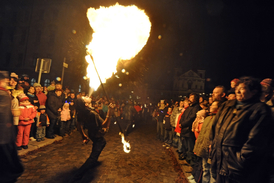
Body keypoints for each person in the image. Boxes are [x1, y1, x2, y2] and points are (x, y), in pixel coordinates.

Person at [210, 77, 273, 183]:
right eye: (237, 88)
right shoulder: (227, 105)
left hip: (238, 171)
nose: (237, 91)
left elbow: (255, 143)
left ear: (254, 91)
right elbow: (214, 129)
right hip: (219, 164)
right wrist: (213, 149)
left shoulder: (260, 110)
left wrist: (239, 163)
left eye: (242, 88)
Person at [71, 97, 113, 181]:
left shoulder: (81, 112)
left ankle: (93, 161)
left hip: (91, 133)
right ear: (86, 104)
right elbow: (104, 125)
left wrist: (83, 135)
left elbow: (78, 124)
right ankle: (78, 174)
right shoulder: (92, 114)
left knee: (102, 143)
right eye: (84, 98)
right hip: (97, 135)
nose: (86, 96)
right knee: (95, 153)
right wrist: (110, 112)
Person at [0, 71, 24, 183]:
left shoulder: (4, 93)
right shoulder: (3, 94)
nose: (7, 82)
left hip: (5, 135)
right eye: (6, 80)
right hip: (4, 136)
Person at [193, 101, 221, 183]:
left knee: (212, 171)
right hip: (204, 148)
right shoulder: (208, 118)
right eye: (211, 105)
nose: (211, 106)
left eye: (213, 105)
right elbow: (202, 134)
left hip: (212, 149)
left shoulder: (218, 119)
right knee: (205, 169)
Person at [179, 93, 201, 161]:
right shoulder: (189, 107)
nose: (189, 99)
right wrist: (181, 123)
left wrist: (183, 124)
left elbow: (191, 118)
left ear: (195, 99)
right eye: (189, 97)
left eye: (191, 98)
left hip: (189, 131)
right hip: (184, 130)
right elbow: (183, 116)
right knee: (185, 145)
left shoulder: (196, 108)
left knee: (190, 146)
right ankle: (185, 155)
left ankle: (190, 159)